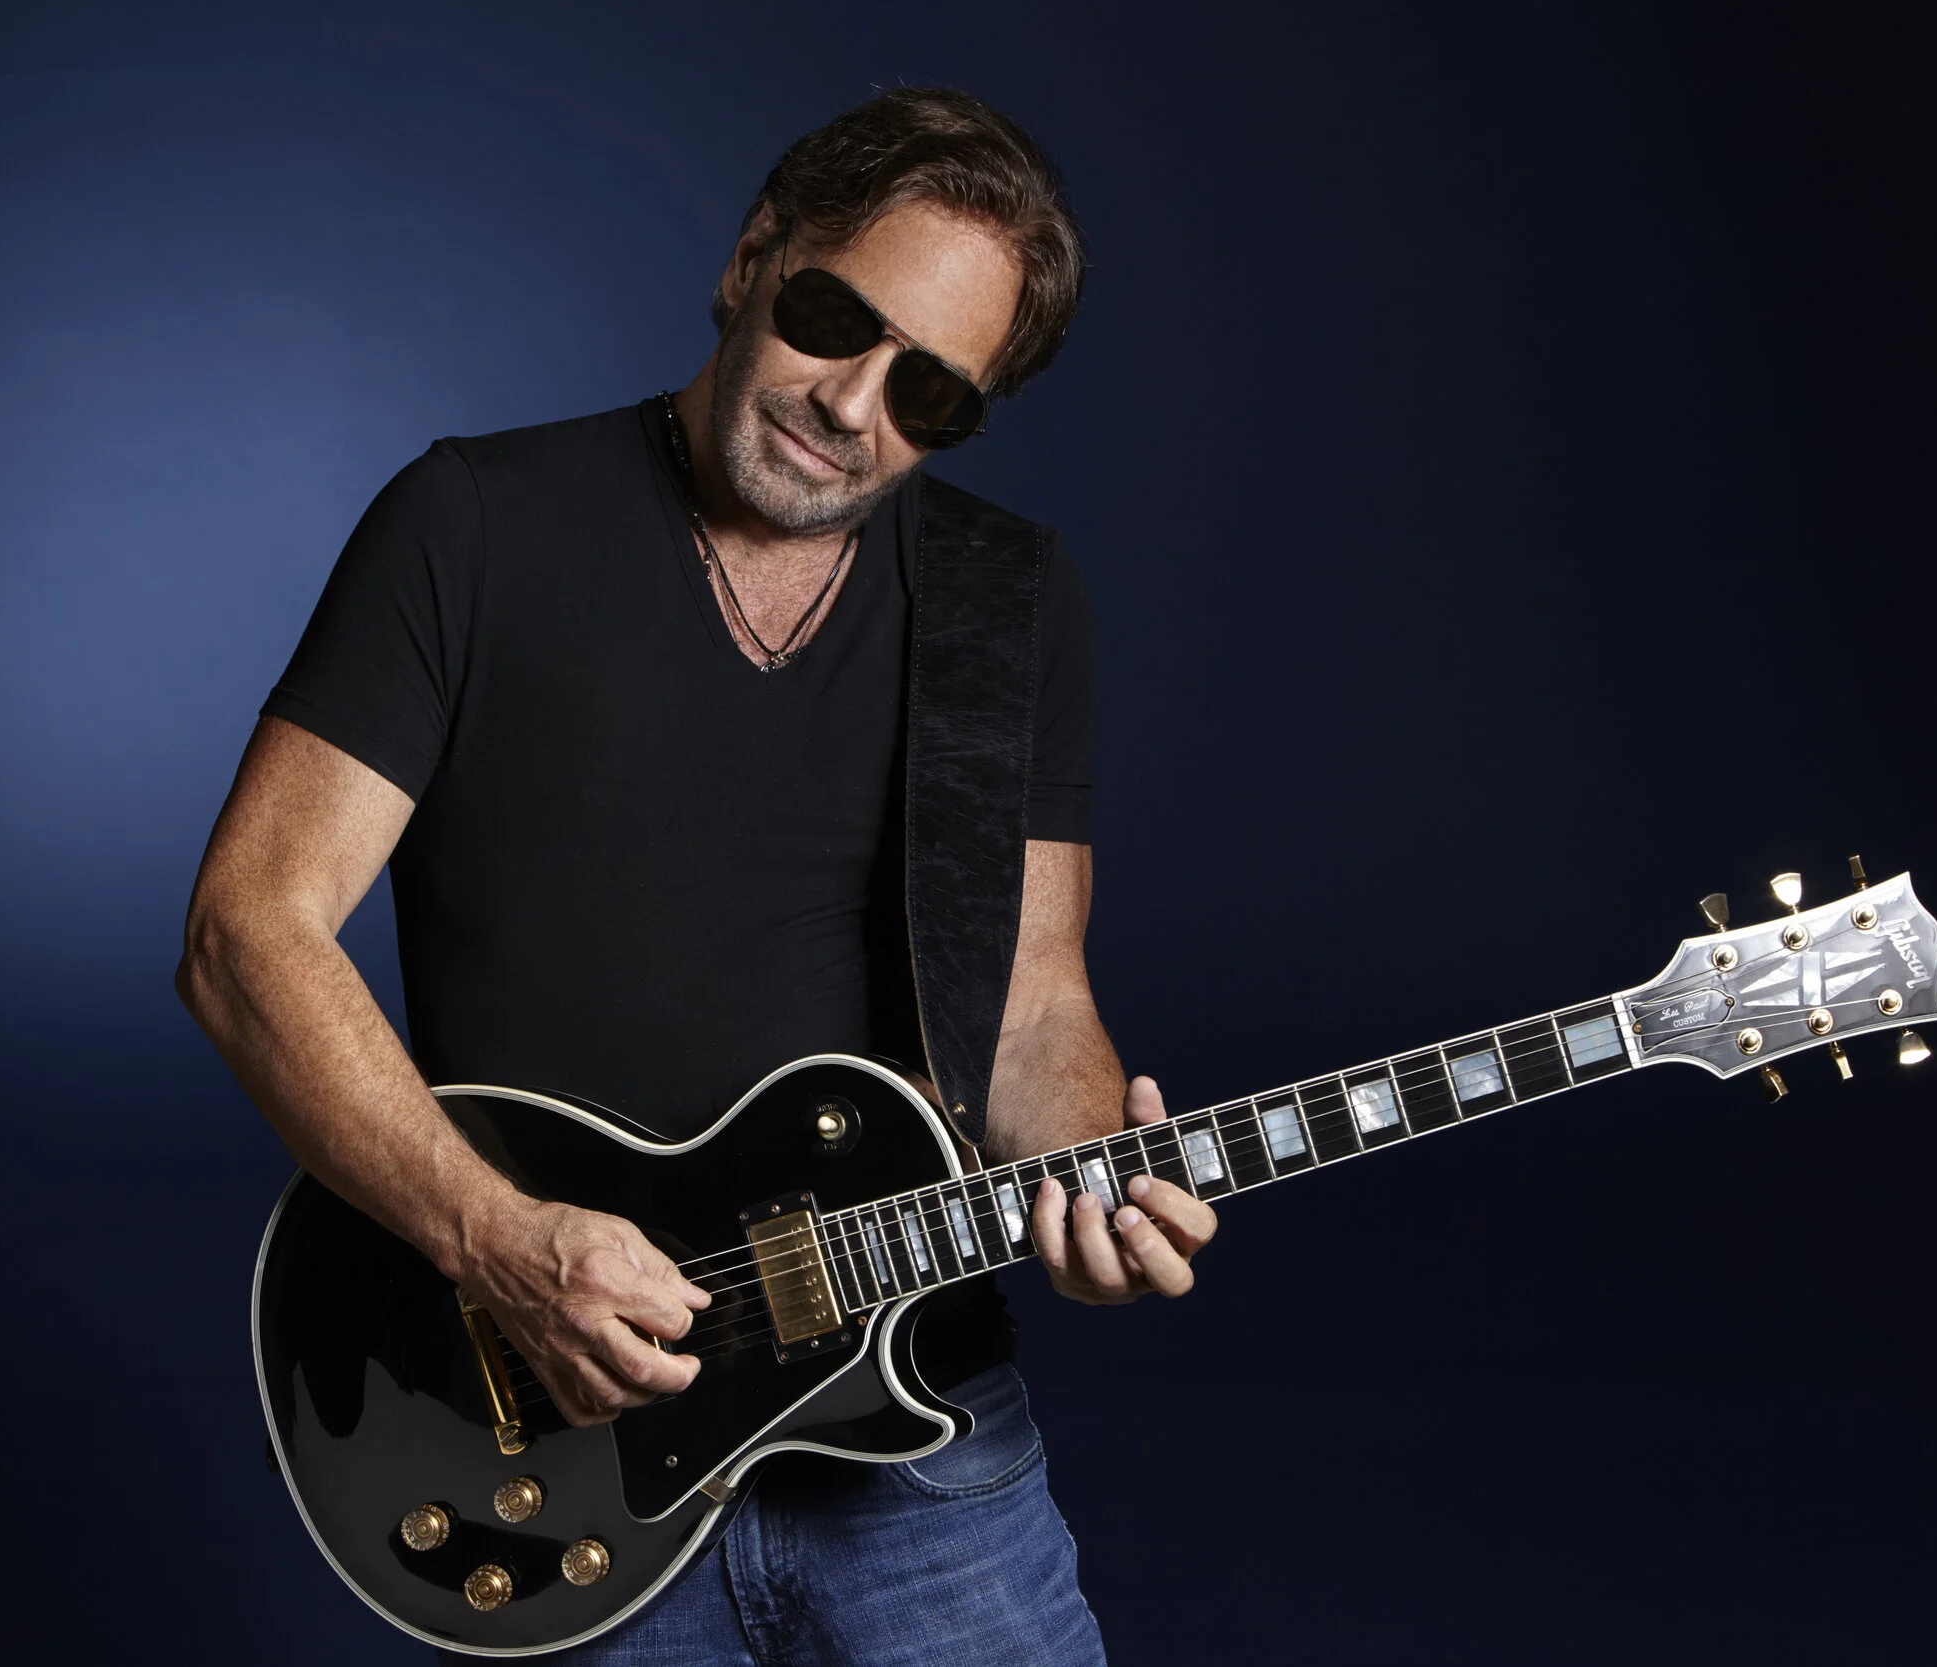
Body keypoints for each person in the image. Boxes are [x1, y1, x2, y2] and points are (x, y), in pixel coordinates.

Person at [176, 87, 1214, 1663]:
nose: (853, 403)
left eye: (929, 390)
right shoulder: (472, 523)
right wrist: (499, 1242)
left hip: (913, 1427)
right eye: (833, 319)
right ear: (751, 260)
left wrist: (1094, 1180)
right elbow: (247, 929)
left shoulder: (1011, 600)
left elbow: (1030, 1010)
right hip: (562, 1434)